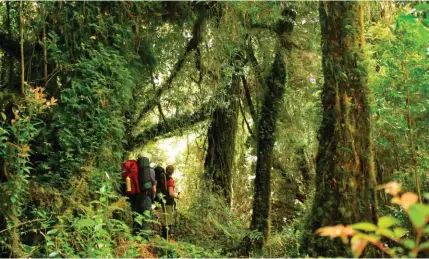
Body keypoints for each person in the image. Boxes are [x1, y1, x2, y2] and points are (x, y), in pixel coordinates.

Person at [130, 156, 156, 238]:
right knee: (146, 220)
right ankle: (144, 242)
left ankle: (135, 239)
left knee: (136, 219)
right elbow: (154, 189)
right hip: (145, 196)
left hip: (134, 197)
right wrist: (152, 199)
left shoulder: (132, 168)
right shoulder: (150, 170)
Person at [160, 165, 180, 239]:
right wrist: (177, 196)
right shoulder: (170, 180)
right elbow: (171, 193)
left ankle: (164, 237)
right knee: (168, 221)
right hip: (168, 203)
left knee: (165, 219)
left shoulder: (163, 177)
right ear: (172, 172)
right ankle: (166, 238)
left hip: (163, 201)